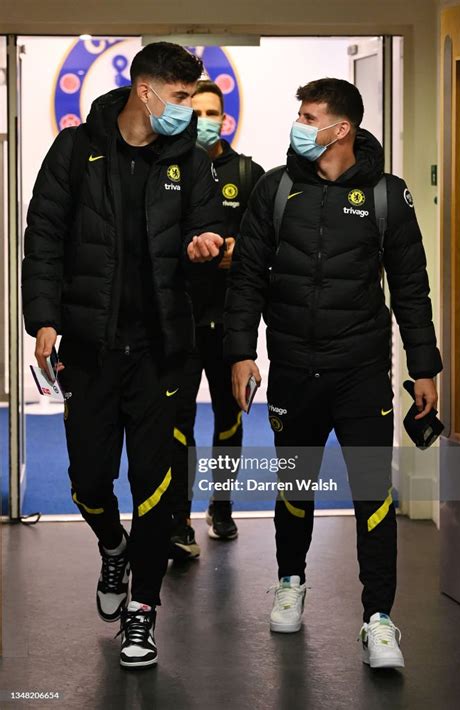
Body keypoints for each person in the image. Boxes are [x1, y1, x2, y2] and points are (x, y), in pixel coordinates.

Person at [224, 78, 442, 669]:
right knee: (295, 487)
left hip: (362, 372)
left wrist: (425, 368)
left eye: (309, 115)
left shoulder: (387, 195)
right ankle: (290, 582)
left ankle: (378, 620)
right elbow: (246, 278)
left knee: (374, 493)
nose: (299, 123)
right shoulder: (276, 188)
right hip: (294, 368)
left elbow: (411, 289)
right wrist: (241, 352)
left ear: (340, 129)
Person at [22, 42, 224, 669]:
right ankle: (113, 544)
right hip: (91, 346)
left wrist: (208, 243)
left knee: (156, 485)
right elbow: (45, 237)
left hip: (163, 350)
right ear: (147, 91)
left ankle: (142, 611)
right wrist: (44, 319)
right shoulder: (76, 151)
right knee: (87, 480)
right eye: (182, 97)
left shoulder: (189, 160)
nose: (189, 110)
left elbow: (209, 223)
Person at [168, 79, 264, 558]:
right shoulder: (169, 169)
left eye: (212, 113)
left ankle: (221, 505)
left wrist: (238, 250)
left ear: (224, 118)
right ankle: (178, 516)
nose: (205, 120)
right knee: (178, 423)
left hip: (231, 322)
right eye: (196, 111)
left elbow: (270, 242)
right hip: (180, 321)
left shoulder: (248, 174)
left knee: (229, 418)